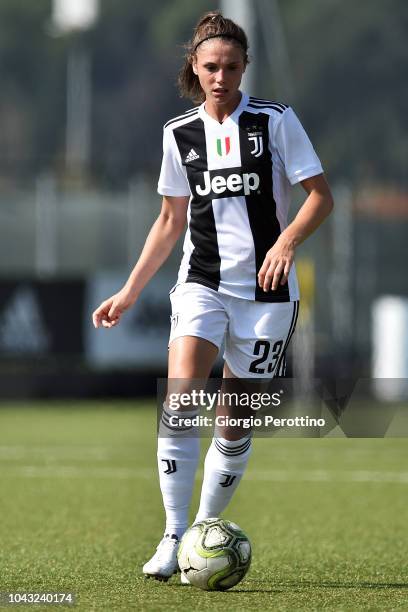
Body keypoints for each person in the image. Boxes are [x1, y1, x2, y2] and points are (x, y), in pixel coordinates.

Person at [92, 11, 333, 583]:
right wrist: (129, 290)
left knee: (232, 418)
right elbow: (170, 219)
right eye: (210, 67)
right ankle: (174, 536)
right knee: (179, 399)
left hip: (268, 295)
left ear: (245, 66)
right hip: (202, 282)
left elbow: (320, 196)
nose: (220, 76)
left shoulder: (275, 122)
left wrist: (288, 243)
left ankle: (205, 531)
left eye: (230, 66)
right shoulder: (180, 134)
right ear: (194, 70)